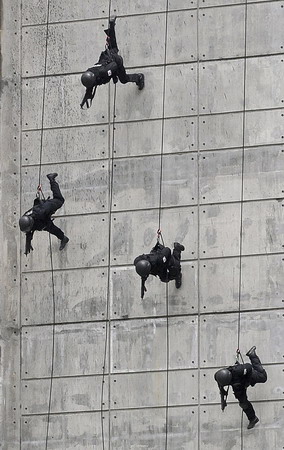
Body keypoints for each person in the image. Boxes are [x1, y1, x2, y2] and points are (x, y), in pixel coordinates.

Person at [80, 16, 145, 108]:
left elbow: (114, 66)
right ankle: (111, 25)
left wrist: (113, 76)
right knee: (112, 45)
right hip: (106, 57)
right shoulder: (90, 75)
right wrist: (85, 100)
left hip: (115, 61)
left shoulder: (103, 73)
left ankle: (139, 77)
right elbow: (89, 88)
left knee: (123, 79)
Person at [214, 346, 267, 429]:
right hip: (237, 385)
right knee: (243, 403)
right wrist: (223, 401)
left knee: (263, 377)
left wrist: (247, 383)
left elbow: (249, 367)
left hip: (246, 376)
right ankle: (253, 419)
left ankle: (252, 355)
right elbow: (221, 388)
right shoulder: (218, 376)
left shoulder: (238, 370)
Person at [19, 173, 69, 255]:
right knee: (53, 229)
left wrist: (52, 209)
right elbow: (29, 231)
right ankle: (64, 238)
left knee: (59, 200)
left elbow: (47, 206)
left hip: (46, 210)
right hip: (42, 223)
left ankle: (52, 179)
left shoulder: (42, 211)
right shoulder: (26, 221)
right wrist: (28, 243)